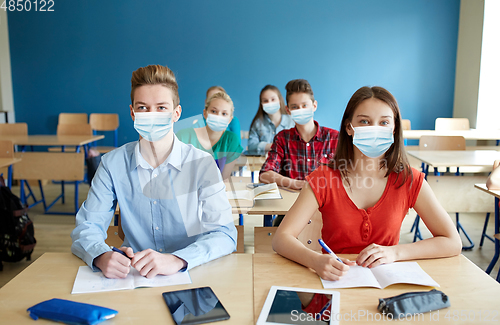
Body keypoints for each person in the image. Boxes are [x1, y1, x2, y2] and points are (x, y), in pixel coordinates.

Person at [272, 86, 462, 281]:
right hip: (335, 283)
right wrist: (316, 261)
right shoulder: (323, 178)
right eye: (364, 121)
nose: (374, 129)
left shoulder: (409, 180)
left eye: (384, 122)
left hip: (387, 288)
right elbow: (281, 238)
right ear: (349, 127)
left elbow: (453, 242)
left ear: (394, 128)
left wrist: (396, 252)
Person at [71, 64, 237, 279]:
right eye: (142, 108)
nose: (151, 115)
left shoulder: (202, 164)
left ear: (176, 113)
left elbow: (224, 234)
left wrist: (178, 260)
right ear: (132, 113)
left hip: (191, 273)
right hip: (133, 277)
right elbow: (87, 226)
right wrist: (101, 255)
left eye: (161, 108)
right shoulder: (112, 164)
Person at [259, 79, 339, 191]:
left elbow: (348, 175)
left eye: (305, 105)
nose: (300, 110)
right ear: (288, 110)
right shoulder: (282, 139)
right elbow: (265, 174)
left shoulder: (335, 138)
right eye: (295, 107)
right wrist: (296, 184)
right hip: (292, 203)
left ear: (314, 106)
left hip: (326, 202)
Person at [176, 91, 243, 180]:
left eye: (224, 114)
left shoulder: (230, 140)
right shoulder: (183, 137)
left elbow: (223, 180)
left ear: (229, 120)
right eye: (214, 111)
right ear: (205, 113)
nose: (218, 116)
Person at [247, 85, 294, 155]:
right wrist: (269, 146)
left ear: (279, 100)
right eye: (265, 101)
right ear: (261, 104)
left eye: (273, 99)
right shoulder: (257, 124)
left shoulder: (292, 121)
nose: (269, 103)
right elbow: (251, 147)